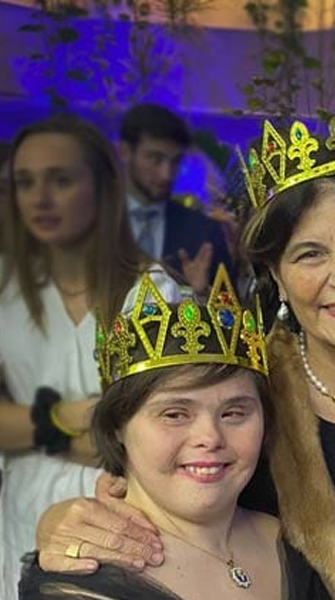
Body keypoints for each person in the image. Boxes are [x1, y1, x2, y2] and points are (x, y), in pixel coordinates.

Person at [33, 112, 335, 600]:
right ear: (277, 275)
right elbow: (153, 485)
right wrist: (63, 523)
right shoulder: (240, 392)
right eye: (310, 254)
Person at [19, 265, 282, 600]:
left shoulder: (292, 544)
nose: (210, 437)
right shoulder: (79, 582)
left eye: (234, 413)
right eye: (174, 414)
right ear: (117, 427)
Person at [0, 114, 153, 600]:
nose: (39, 198)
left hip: (121, 515)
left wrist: (29, 429)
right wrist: (65, 418)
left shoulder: (158, 294)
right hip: (20, 509)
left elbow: (151, 436)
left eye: (60, 180)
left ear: (104, 186)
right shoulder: (4, 290)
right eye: (25, 183)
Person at [119, 103, 234, 294]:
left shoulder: (204, 233)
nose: (167, 174)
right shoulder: (91, 224)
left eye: (175, 161)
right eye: (156, 159)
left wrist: (202, 294)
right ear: (125, 152)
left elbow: (233, 314)